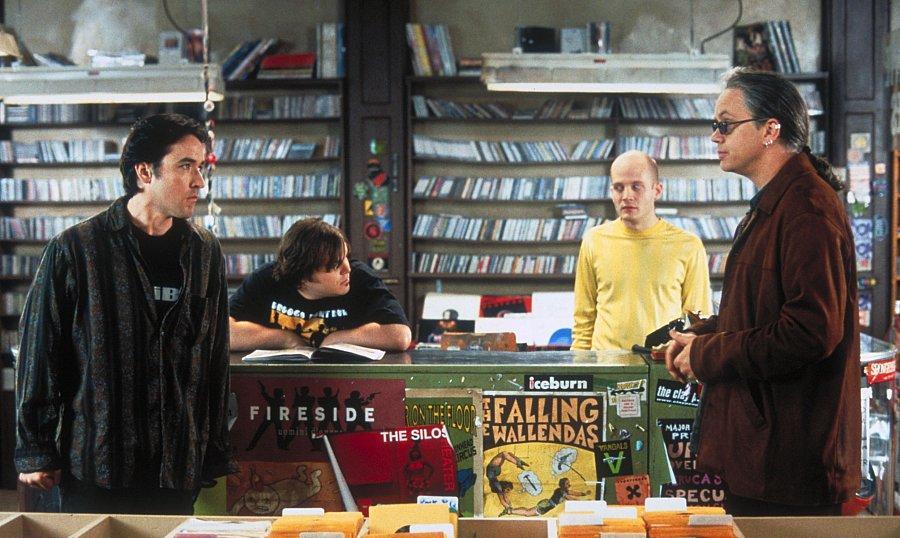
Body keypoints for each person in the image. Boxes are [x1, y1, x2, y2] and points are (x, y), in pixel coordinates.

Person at [15, 113, 235, 514]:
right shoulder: (75, 249)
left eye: (200, 167)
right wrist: (35, 448)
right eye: (185, 166)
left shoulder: (205, 252)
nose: (199, 182)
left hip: (176, 466)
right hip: (99, 464)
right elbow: (40, 351)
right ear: (144, 172)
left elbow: (214, 359)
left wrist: (214, 449)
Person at [665, 68, 860, 516]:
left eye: (726, 124)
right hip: (764, 456)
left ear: (771, 130)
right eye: (715, 125)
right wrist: (701, 339)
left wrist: (708, 354)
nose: (715, 136)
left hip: (787, 466)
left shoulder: (806, 210)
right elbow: (764, 313)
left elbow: (810, 332)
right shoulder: (780, 204)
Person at [572, 150, 712, 350]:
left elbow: (698, 322)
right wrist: (580, 362)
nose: (627, 196)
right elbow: (583, 319)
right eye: (619, 188)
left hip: (662, 362)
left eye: (636, 186)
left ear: (657, 190)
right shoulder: (594, 240)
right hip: (605, 362)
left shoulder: (688, 245)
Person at [229, 218, 411, 351]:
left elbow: (401, 335)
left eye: (346, 257)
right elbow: (223, 332)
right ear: (302, 276)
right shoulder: (267, 278)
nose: (347, 269)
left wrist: (336, 339)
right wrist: (284, 339)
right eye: (335, 265)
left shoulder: (361, 278)